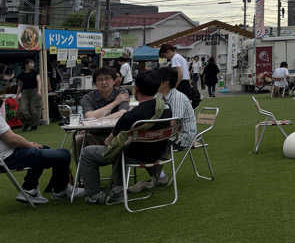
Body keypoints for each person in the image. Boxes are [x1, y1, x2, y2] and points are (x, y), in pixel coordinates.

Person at [78, 70, 172, 204]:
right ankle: (119, 187)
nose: (104, 82)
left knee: (88, 152)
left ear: (136, 89)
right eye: (100, 79)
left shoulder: (131, 116)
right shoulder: (166, 108)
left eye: (107, 79)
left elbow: (109, 142)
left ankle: (94, 194)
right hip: (159, 153)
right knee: (120, 146)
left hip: (131, 155)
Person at [129, 67, 197, 192]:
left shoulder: (177, 98)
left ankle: (156, 178)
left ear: (165, 82)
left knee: (142, 144)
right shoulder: (159, 95)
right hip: (167, 134)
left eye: (156, 79)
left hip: (182, 137)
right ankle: (158, 176)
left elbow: (174, 124)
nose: (153, 81)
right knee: (141, 142)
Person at [1, 113, 83, 204]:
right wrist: (30, 145)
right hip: (9, 158)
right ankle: (60, 191)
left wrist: (29, 145)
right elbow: (11, 139)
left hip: (7, 155)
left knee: (43, 149)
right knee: (64, 154)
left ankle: (30, 188)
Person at [16, 58, 42, 132]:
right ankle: (28, 123)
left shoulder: (35, 72)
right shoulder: (21, 75)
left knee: (34, 110)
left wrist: (39, 91)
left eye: (33, 63)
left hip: (34, 91)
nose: (33, 64)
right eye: (31, 63)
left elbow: (39, 81)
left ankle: (33, 125)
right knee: (23, 109)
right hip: (24, 92)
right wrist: (17, 95)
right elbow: (20, 85)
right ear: (26, 65)